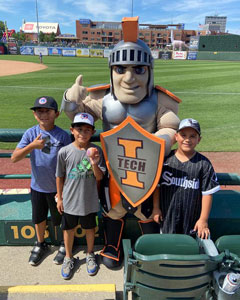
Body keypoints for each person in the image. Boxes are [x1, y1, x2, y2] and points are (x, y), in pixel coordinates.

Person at [61, 16, 181, 268]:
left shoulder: (160, 99)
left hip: (146, 167)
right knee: (111, 207)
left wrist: (160, 140)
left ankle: (153, 249)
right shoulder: (102, 97)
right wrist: (70, 100)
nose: (128, 78)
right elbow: (78, 117)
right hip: (112, 167)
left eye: (138, 69)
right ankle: (111, 246)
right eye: (121, 69)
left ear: (149, 70)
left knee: (146, 207)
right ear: (112, 70)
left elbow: (171, 126)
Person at [11, 96, 71, 265]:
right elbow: (14, 158)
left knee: (61, 218)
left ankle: (63, 244)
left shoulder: (63, 136)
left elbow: (68, 162)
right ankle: (40, 243)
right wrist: (31, 146)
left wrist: (63, 191)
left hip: (58, 188)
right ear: (35, 115)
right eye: (39, 111)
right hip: (38, 186)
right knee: (39, 218)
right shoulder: (31, 133)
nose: (44, 115)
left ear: (57, 114)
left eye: (48, 111)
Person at [56, 112, 106, 279]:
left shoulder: (96, 150)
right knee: (68, 229)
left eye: (87, 130)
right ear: (72, 130)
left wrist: (94, 163)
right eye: (79, 129)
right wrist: (60, 197)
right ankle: (69, 257)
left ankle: (90, 254)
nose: (82, 133)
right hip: (69, 199)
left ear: (92, 132)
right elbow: (59, 176)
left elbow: (99, 177)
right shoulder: (64, 151)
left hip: (89, 199)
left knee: (89, 229)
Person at [152, 118, 220, 239]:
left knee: (190, 248)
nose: (187, 139)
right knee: (168, 245)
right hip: (167, 216)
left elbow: (207, 194)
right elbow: (157, 186)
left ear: (199, 139)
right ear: (176, 136)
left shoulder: (204, 164)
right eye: (183, 135)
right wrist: (156, 208)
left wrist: (203, 220)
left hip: (191, 219)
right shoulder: (165, 160)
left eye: (192, 136)